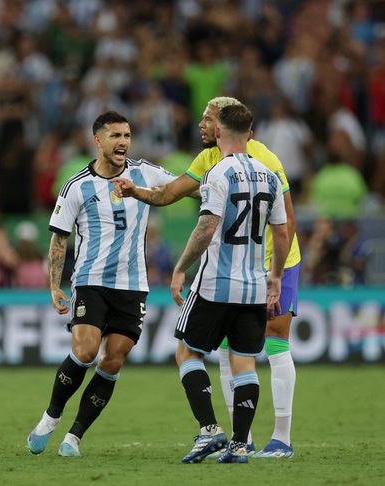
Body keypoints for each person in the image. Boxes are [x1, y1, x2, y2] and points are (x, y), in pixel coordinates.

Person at [113, 96, 301, 459]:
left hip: (261, 263)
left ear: (222, 127)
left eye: (207, 118)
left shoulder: (262, 159)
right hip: (251, 272)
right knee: (236, 353)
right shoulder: (209, 160)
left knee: (269, 341)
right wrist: (135, 190)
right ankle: (240, 440)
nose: (201, 124)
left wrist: (272, 274)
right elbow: (169, 192)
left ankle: (280, 436)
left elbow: (284, 226)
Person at [27, 110, 179, 457]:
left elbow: (182, 187)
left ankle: (74, 437)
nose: (123, 141)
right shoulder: (77, 185)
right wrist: (54, 285)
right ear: (97, 141)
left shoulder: (145, 173)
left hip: (133, 284)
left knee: (112, 361)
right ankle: (51, 417)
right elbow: (59, 239)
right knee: (85, 351)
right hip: (90, 280)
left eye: (126, 135)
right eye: (115, 136)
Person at [170, 104, 290, 463]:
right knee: (245, 363)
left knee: (187, 352)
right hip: (254, 285)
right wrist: (277, 276)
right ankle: (239, 445)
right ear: (250, 135)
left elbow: (206, 228)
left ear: (219, 133)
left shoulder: (218, 174)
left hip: (215, 284)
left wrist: (180, 268)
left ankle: (209, 430)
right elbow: (282, 234)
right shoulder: (269, 176)